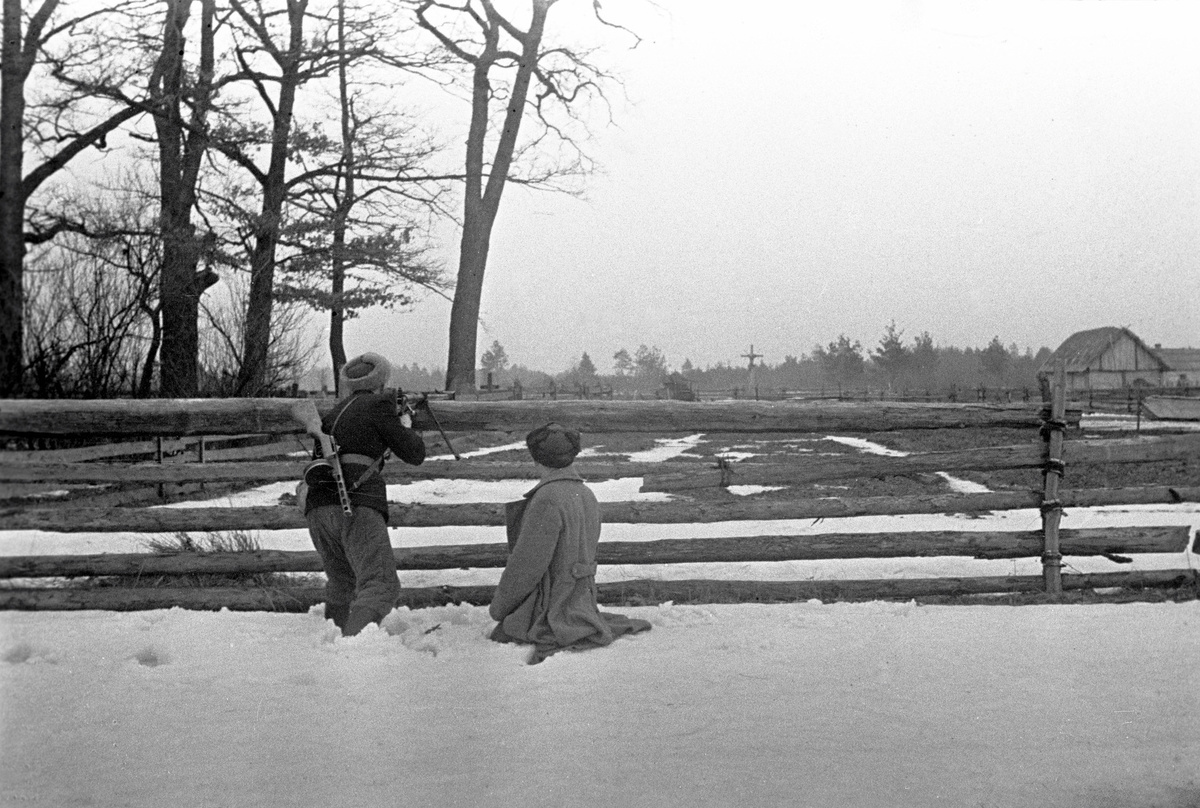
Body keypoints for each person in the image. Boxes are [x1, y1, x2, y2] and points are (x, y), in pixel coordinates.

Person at [489, 422, 651, 664]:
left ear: (536, 459)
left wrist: (499, 609)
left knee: (504, 632)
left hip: (554, 607)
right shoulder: (586, 494)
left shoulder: (546, 499)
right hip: (583, 601)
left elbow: (526, 566)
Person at [303, 352, 426, 636]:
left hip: (319, 508)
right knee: (381, 585)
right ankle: (354, 646)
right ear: (381, 381)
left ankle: (333, 642)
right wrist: (404, 426)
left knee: (342, 581)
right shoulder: (379, 406)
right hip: (355, 503)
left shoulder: (333, 413)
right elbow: (415, 454)